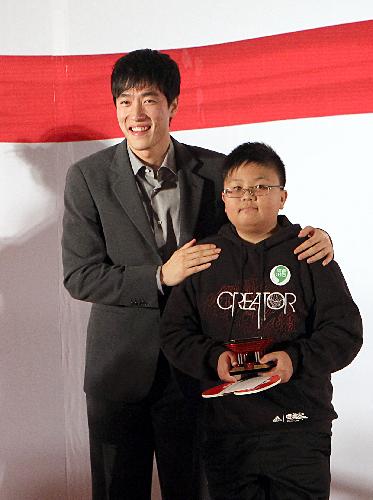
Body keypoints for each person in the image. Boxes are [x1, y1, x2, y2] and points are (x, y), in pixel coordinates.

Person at [62, 49, 333, 500]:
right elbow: (81, 275)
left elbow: (254, 226)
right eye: (125, 102)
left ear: (173, 106)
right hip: (120, 369)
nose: (136, 114)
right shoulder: (87, 177)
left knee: (193, 488)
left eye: (149, 100)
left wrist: (310, 236)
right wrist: (159, 275)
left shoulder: (213, 168)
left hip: (198, 364)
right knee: (115, 490)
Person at [160, 142, 362, 500]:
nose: (247, 196)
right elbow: (175, 333)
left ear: (282, 197)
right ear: (223, 199)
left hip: (299, 427)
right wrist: (214, 360)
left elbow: (345, 333)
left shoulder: (309, 253)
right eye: (236, 188)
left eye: (261, 186)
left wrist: (294, 360)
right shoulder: (205, 258)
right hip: (226, 431)